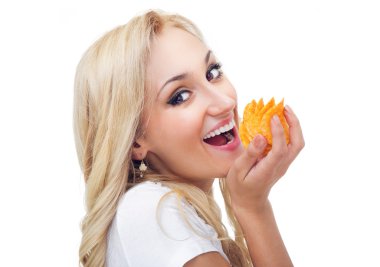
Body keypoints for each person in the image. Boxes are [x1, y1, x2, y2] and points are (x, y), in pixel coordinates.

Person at [73, 9, 304, 267]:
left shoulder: (178, 214)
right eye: (180, 96)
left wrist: (255, 204)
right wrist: (253, 209)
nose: (225, 102)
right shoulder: (151, 210)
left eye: (213, 73)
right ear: (135, 140)